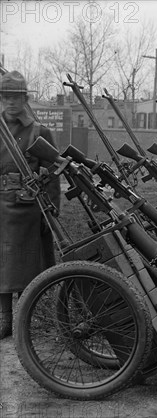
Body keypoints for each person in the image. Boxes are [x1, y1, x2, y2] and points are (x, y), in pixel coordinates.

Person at [0, 71, 61, 339]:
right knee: (2, 266)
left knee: (25, 269)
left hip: (28, 210)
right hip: (0, 209)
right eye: (5, 97)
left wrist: (51, 212)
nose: (10, 102)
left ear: (24, 99)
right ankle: (4, 321)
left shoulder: (39, 130)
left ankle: (23, 320)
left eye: (16, 97)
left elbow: (52, 175)